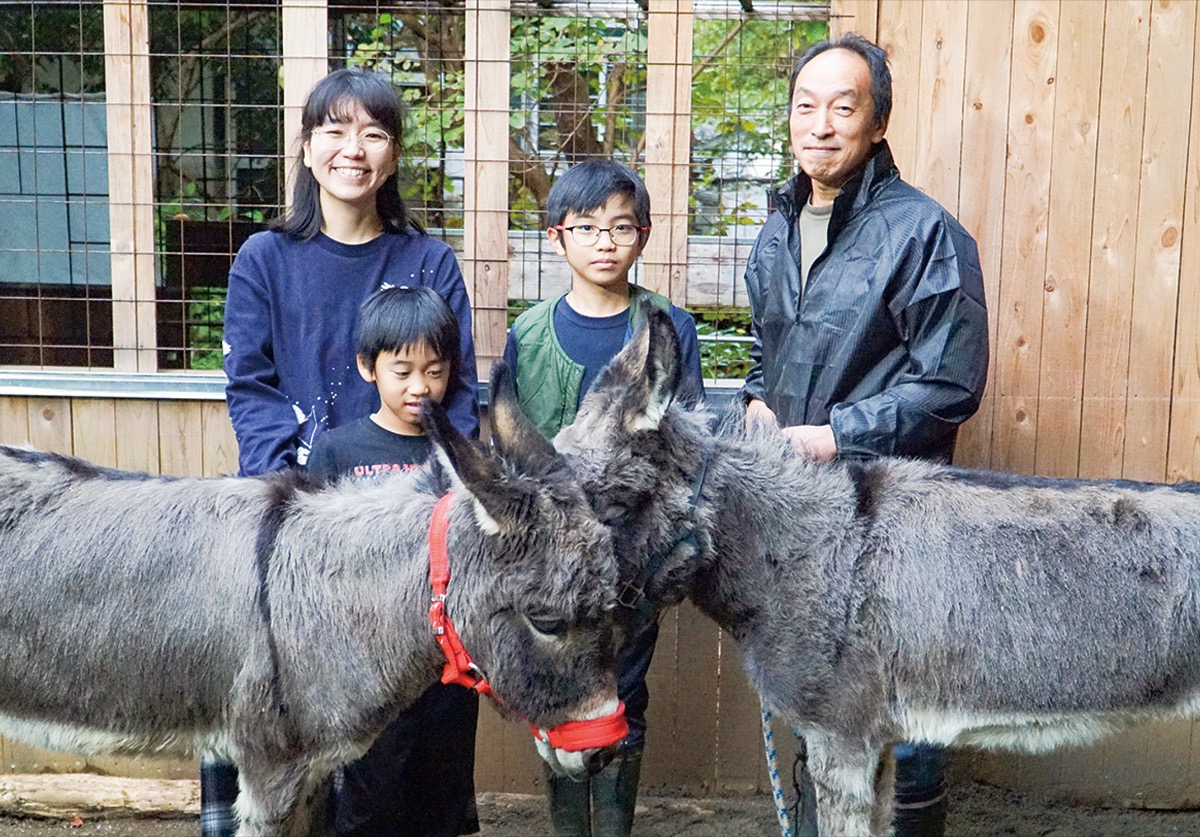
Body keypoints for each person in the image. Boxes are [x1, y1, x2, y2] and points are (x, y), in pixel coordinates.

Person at [216, 67, 480, 837]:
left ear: (393, 156)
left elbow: (459, 397)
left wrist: (418, 511)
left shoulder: (429, 262)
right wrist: (298, 499)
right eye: (334, 130)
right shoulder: (264, 258)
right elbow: (251, 387)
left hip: (406, 537)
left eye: (373, 132)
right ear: (307, 148)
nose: (352, 149)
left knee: (406, 738)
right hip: (299, 523)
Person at [740, 33, 989, 837]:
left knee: (905, 707)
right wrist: (756, 400)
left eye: (843, 108)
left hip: (896, 520)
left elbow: (950, 385)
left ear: (877, 123)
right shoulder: (777, 227)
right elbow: (766, 348)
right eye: (805, 106)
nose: (820, 124)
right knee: (819, 698)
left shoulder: (926, 234)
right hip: (803, 517)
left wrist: (835, 436)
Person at [503, 158, 705, 837]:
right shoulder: (529, 333)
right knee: (560, 685)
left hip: (632, 554)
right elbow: (514, 445)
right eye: (586, 227)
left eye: (621, 226)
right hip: (553, 560)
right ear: (556, 237)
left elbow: (686, 439)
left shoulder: (668, 327)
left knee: (625, 686)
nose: (605, 242)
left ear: (642, 235)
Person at [306, 286, 480, 837]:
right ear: (368, 367)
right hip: (365, 668)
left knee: (440, 804)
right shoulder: (337, 450)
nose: (419, 386)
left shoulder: (462, 455)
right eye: (402, 371)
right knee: (367, 804)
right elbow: (311, 557)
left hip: (446, 667)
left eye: (434, 371)